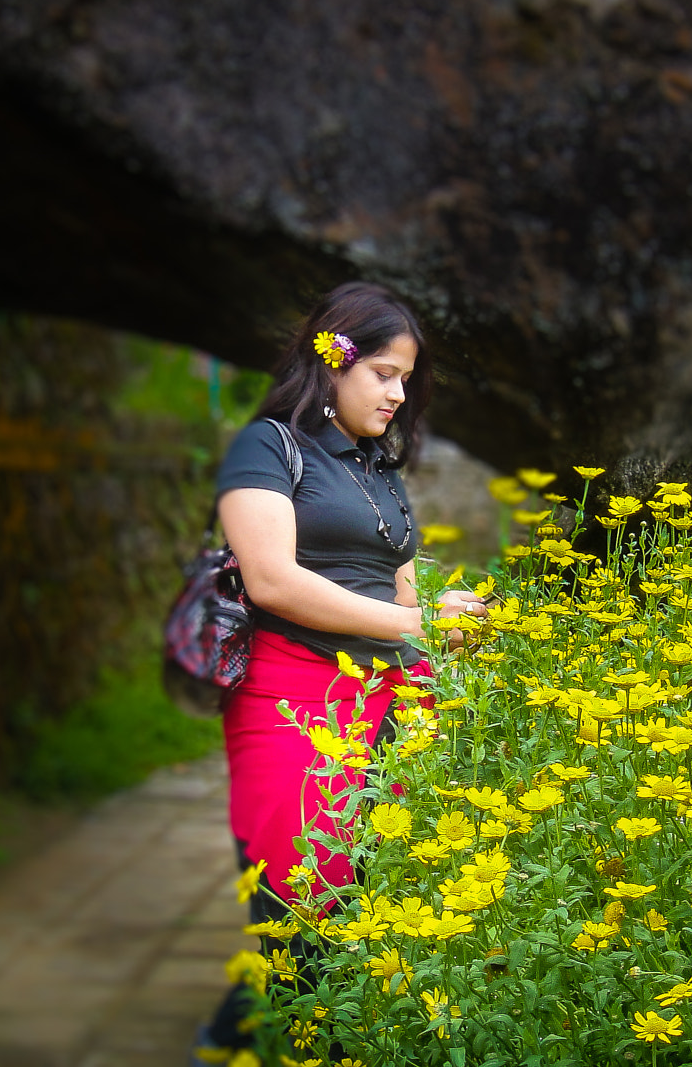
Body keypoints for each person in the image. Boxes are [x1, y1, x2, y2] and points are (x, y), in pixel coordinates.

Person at [195, 281, 487, 1058]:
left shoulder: (378, 469)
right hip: (289, 695)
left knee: (377, 904)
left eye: (406, 378)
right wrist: (415, 621)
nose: (398, 393)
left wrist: (439, 646)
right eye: (384, 373)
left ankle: (247, 1032)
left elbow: (400, 586)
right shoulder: (266, 446)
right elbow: (273, 579)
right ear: (335, 360)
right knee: (301, 900)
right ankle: (261, 1037)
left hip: (385, 700)